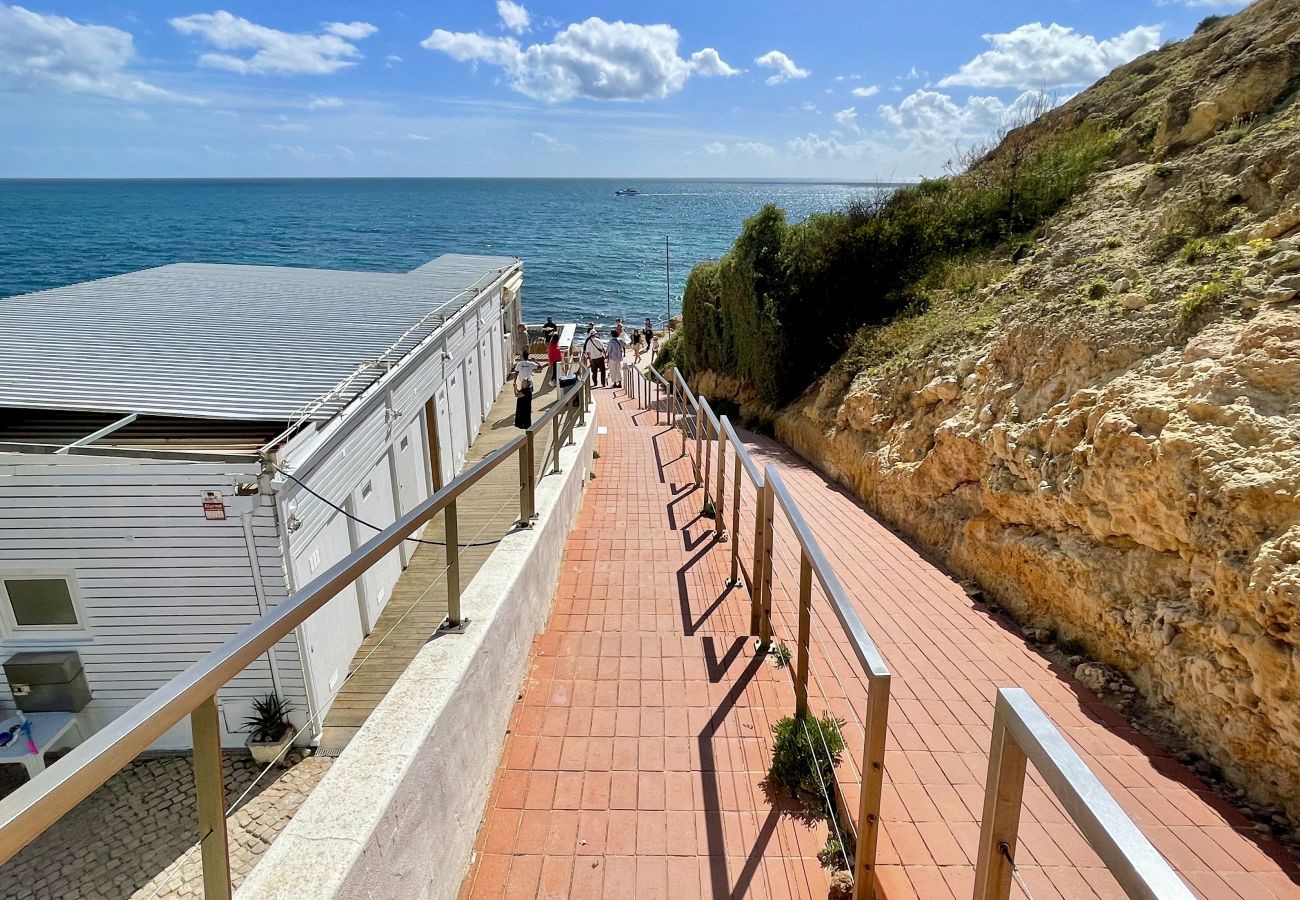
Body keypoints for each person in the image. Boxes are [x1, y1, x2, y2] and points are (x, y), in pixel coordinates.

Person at [513, 351, 539, 428]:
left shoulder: (519, 364)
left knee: (523, 397)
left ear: (522, 356)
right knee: (528, 398)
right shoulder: (531, 364)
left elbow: (516, 372)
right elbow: (539, 367)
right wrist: (535, 360)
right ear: (528, 356)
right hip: (529, 384)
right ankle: (528, 410)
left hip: (522, 384)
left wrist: (514, 381)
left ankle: (525, 413)